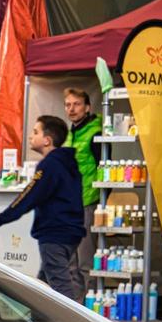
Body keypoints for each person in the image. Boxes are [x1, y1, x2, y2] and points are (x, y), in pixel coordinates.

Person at [0, 115, 85, 302]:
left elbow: (30, 196)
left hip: (54, 232)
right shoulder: (68, 163)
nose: (30, 137)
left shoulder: (49, 165)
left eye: (35, 132)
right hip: (70, 231)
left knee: (60, 286)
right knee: (44, 282)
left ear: (47, 140)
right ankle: (37, 320)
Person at [64, 88, 100, 287]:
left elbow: (104, 170)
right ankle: (75, 307)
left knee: (86, 262)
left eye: (76, 104)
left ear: (87, 107)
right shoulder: (70, 133)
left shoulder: (95, 133)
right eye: (68, 105)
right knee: (70, 262)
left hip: (87, 203)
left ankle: (91, 309)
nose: (71, 109)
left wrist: (97, 202)